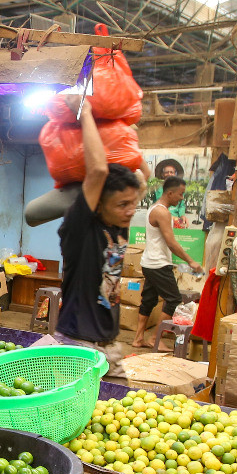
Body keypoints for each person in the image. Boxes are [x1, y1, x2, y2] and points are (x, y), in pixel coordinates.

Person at [55, 96, 143, 376]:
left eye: (133, 203)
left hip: (111, 346)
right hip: (78, 347)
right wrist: (86, 113)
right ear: (98, 204)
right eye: (122, 204)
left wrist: (125, 128)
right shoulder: (80, 228)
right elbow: (97, 171)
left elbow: (141, 178)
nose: (130, 211)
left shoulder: (118, 226)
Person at [132, 177, 203, 349]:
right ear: (170, 193)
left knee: (148, 300)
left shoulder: (154, 209)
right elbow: (171, 243)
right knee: (173, 299)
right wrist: (191, 261)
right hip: (158, 264)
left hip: (150, 263)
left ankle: (138, 339)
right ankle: (155, 339)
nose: (181, 198)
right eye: (180, 194)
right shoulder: (162, 212)